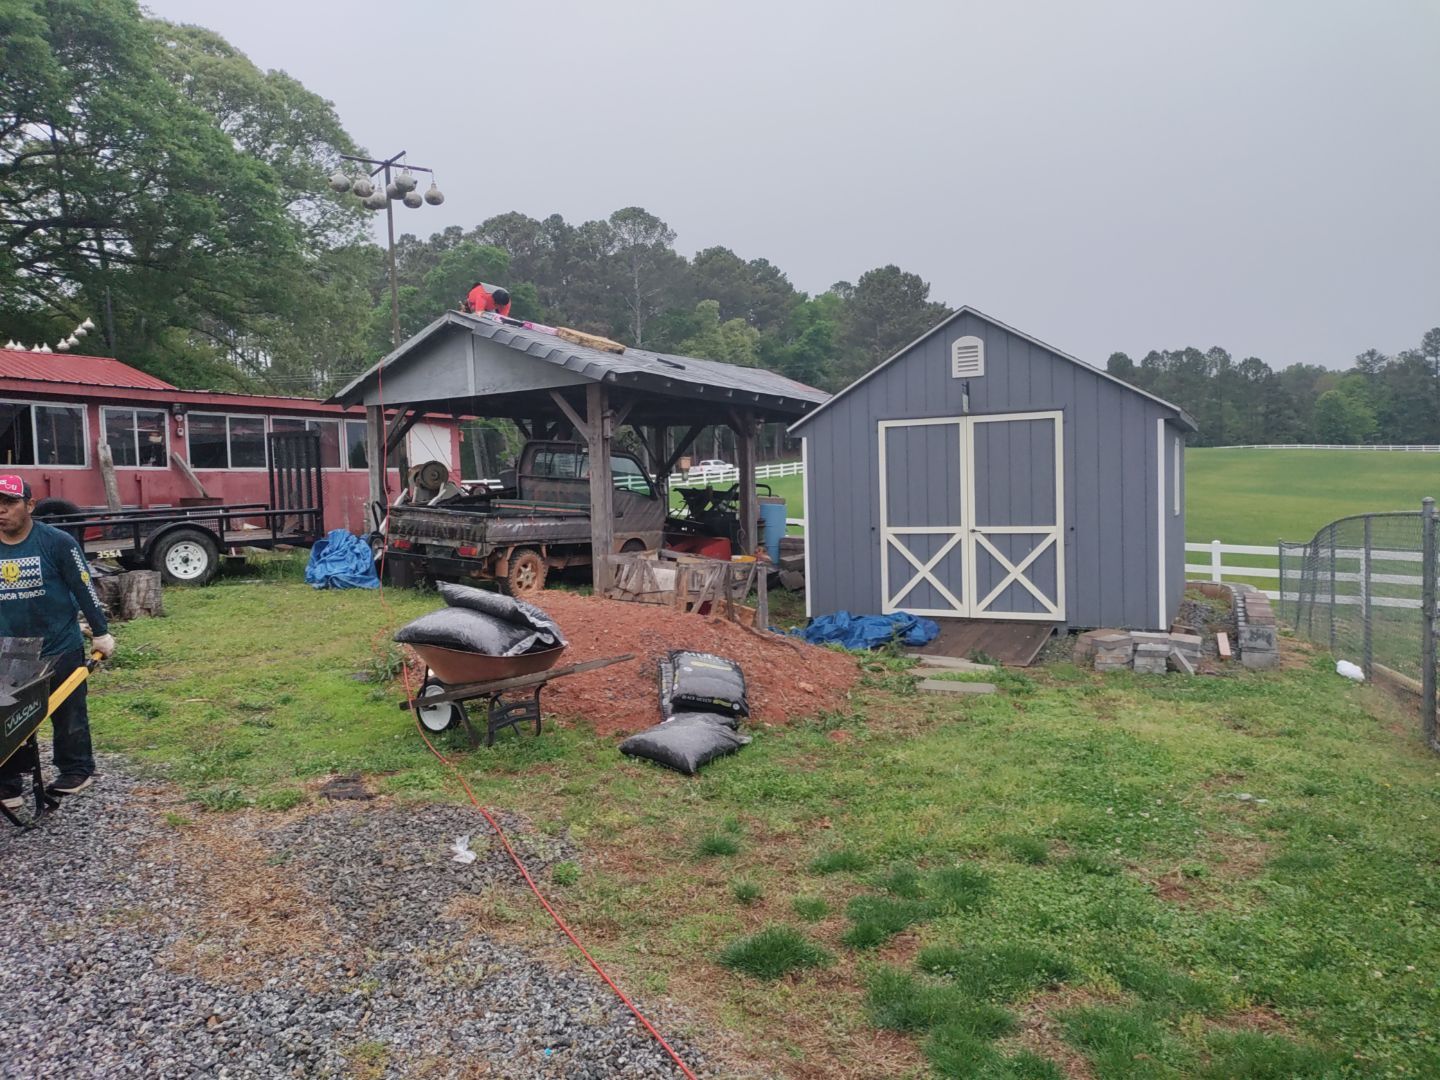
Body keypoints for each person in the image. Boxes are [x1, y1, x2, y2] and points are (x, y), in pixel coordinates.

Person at [0, 476, 114, 811]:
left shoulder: (56, 542)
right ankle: (8, 783)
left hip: (59, 644)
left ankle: (76, 769)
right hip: (8, 651)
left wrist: (101, 632)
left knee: (68, 713)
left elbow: (83, 587)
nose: (2, 511)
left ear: (30, 505)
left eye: (10, 503)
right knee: (9, 718)